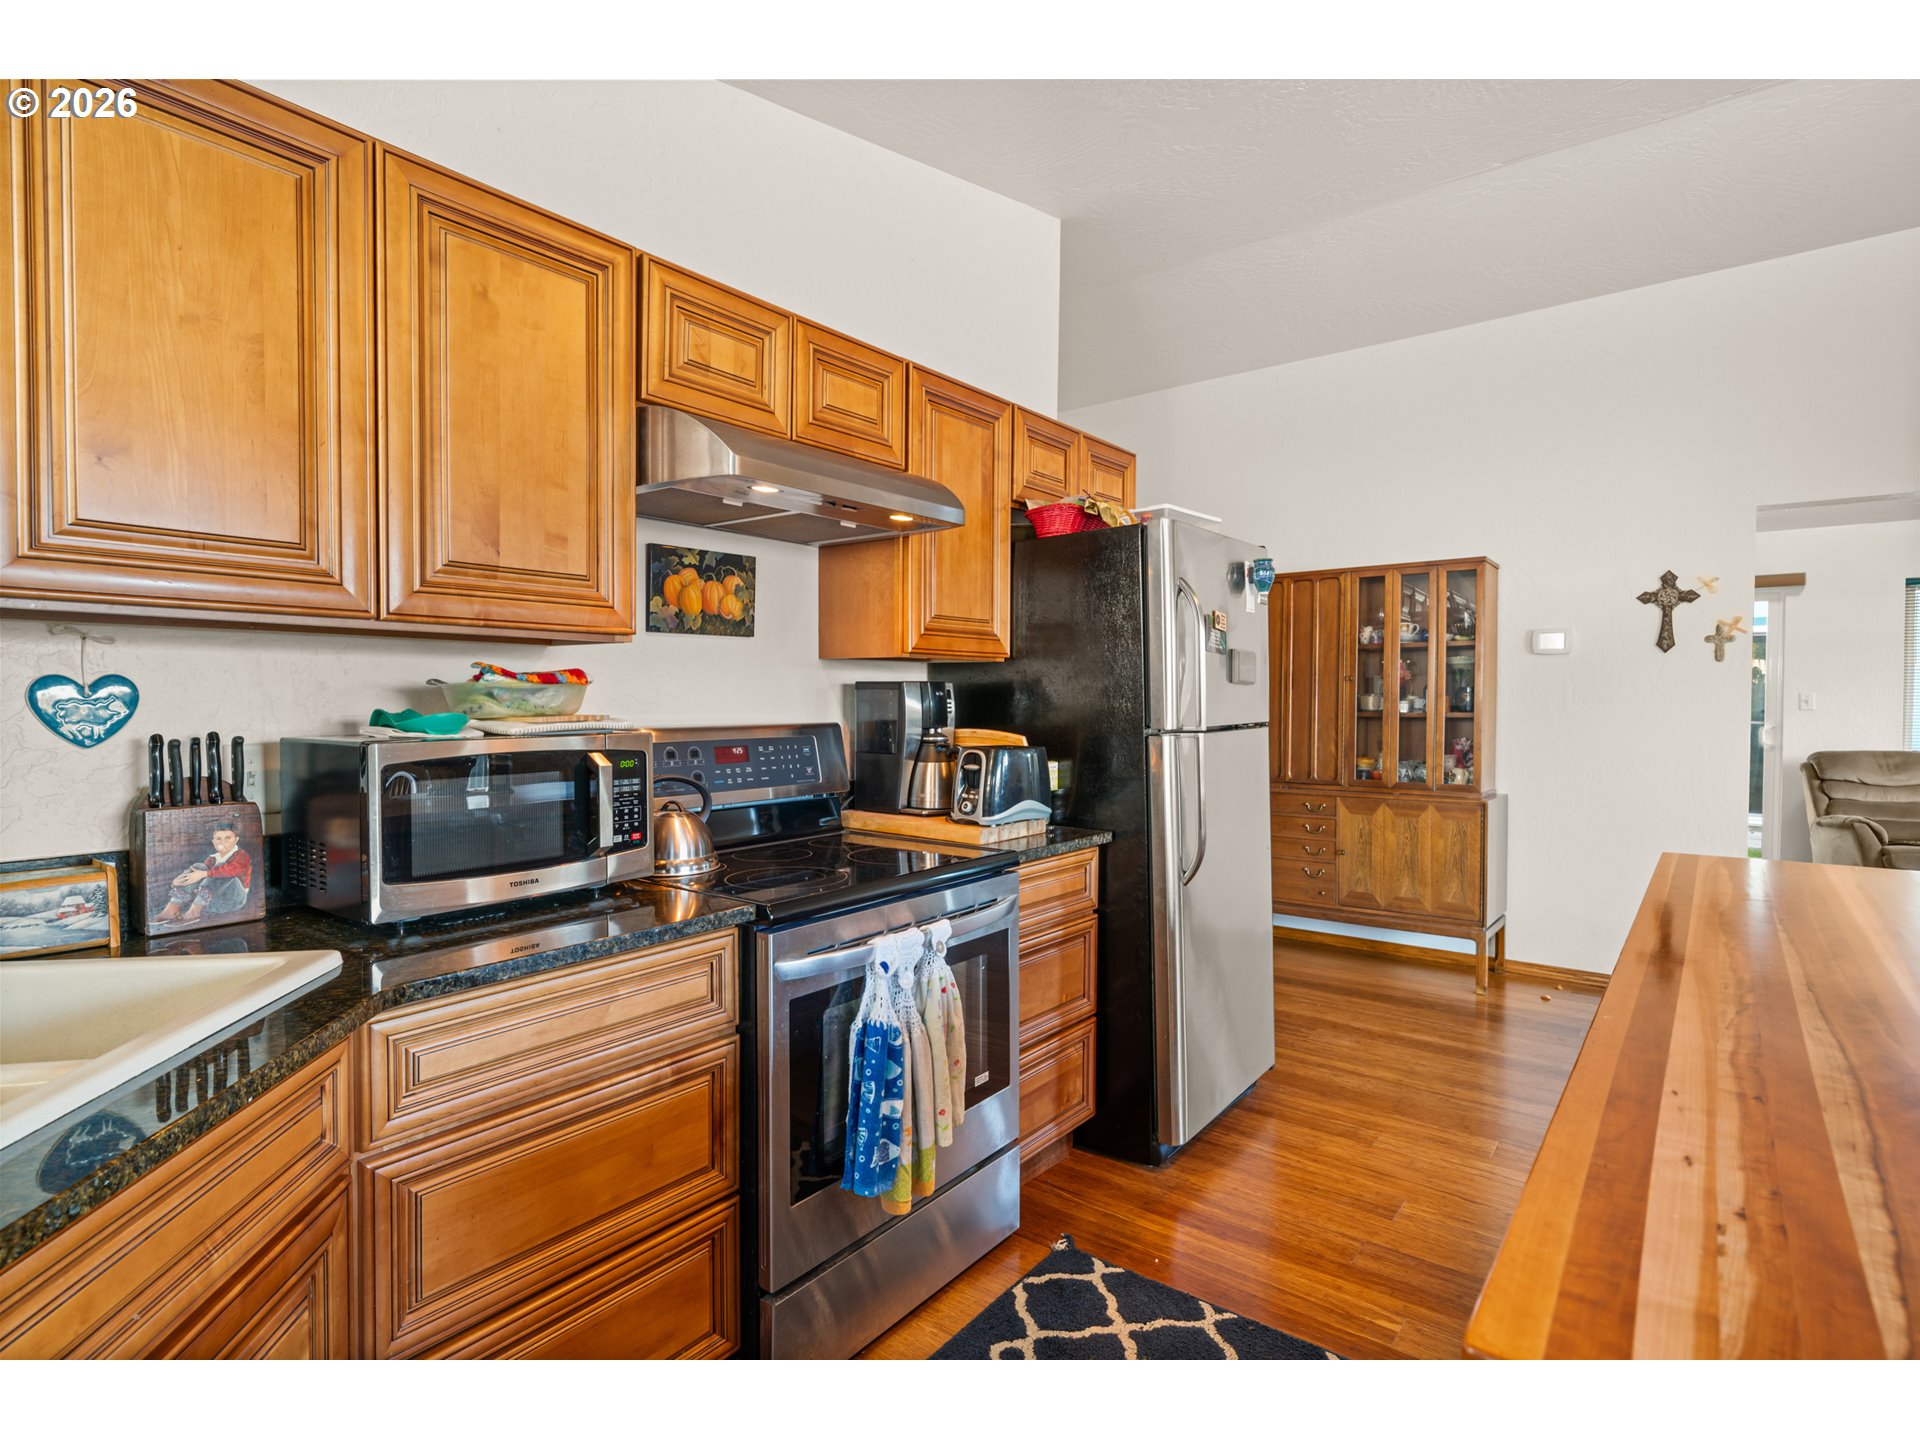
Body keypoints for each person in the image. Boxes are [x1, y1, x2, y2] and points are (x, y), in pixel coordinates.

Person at [157, 824, 253, 924]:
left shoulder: (241, 856)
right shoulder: (213, 858)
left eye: (228, 838)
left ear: (236, 840)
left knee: (218, 869)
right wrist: (176, 882)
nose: (223, 842)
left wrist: (205, 874)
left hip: (232, 901)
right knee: (199, 867)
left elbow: (232, 870)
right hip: (212, 902)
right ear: (213, 842)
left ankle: (194, 912)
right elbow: (200, 877)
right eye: (218, 839)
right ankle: (173, 908)